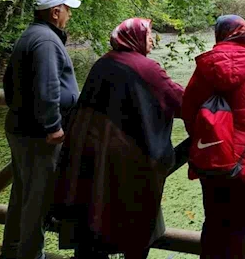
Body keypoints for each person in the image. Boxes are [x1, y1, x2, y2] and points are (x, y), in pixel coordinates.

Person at [54, 18, 184, 259]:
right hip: (127, 160)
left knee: (93, 217)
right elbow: (181, 102)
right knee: (135, 220)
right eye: (148, 35)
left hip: (91, 156)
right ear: (135, 38)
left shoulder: (103, 62)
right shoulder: (147, 69)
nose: (152, 40)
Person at [182, 15, 245, 259]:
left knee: (213, 221)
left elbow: (188, 109)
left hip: (210, 155)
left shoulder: (205, 66)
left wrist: (203, 141)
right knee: (240, 226)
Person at [1, 0, 82, 259]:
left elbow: (8, 84)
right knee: (38, 198)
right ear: (54, 12)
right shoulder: (46, 41)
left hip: (21, 127)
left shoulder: (31, 35)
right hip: (38, 134)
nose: (69, 14)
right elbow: (48, 88)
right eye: (67, 9)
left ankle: (11, 251)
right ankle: (30, 255)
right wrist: (53, 126)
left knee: (22, 192)